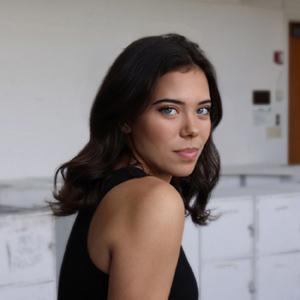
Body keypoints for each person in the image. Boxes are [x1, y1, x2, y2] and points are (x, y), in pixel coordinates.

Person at [50, 33, 222, 300]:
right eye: (169, 110)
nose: (192, 129)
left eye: (202, 110)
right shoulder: (153, 200)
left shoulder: (114, 188)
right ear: (125, 118)